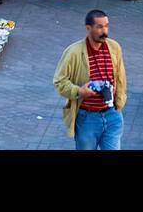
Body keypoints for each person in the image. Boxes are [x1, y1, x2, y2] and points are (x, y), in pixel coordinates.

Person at [53, 9, 127, 150]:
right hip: (87, 118)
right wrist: (79, 91)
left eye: (106, 26)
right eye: (99, 27)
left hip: (112, 115)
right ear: (88, 28)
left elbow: (120, 77)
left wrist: (120, 102)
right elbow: (59, 81)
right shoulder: (74, 52)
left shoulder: (114, 47)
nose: (104, 30)